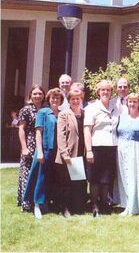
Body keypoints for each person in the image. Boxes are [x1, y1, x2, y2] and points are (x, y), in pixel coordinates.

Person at [24, 88, 64, 219]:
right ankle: (36, 205)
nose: (55, 100)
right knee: (40, 177)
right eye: (53, 97)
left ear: (61, 100)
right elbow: (38, 132)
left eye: (57, 98)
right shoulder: (43, 112)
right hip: (45, 149)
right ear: (49, 98)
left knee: (51, 178)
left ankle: (45, 203)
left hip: (57, 151)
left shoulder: (62, 113)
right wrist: (39, 151)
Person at [115, 93, 139, 215]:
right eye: (130, 102)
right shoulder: (122, 117)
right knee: (125, 177)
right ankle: (127, 204)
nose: (132, 104)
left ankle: (137, 207)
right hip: (122, 149)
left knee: (136, 178)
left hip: (138, 149)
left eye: (135, 102)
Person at [84, 80, 119, 217]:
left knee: (106, 178)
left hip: (111, 147)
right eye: (103, 90)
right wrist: (89, 150)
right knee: (95, 179)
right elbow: (87, 130)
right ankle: (94, 205)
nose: (105, 92)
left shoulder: (116, 107)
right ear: (98, 92)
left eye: (108, 90)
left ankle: (105, 203)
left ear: (111, 92)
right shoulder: (91, 108)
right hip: (96, 147)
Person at [56, 89, 87, 217]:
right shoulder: (64, 114)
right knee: (66, 183)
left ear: (81, 99)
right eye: (73, 99)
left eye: (78, 98)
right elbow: (61, 135)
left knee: (79, 182)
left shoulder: (85, 113)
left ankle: (78, 207)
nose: (75, 101)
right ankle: (65, 208)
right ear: (69, 100)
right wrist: (64, 154)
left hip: (82, 152)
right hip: (69, 153)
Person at [17, 85, 45, 212]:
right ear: (30, 96)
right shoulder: (26, 110)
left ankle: (39, 202)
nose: (37, 96)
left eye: (40, 93)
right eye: (35, 94)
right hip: (30, 144)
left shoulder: (46, 109)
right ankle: (26, 203)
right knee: (27, 174)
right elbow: (21, 129)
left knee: (40, 173)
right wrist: (24, 147)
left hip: (43, 144)